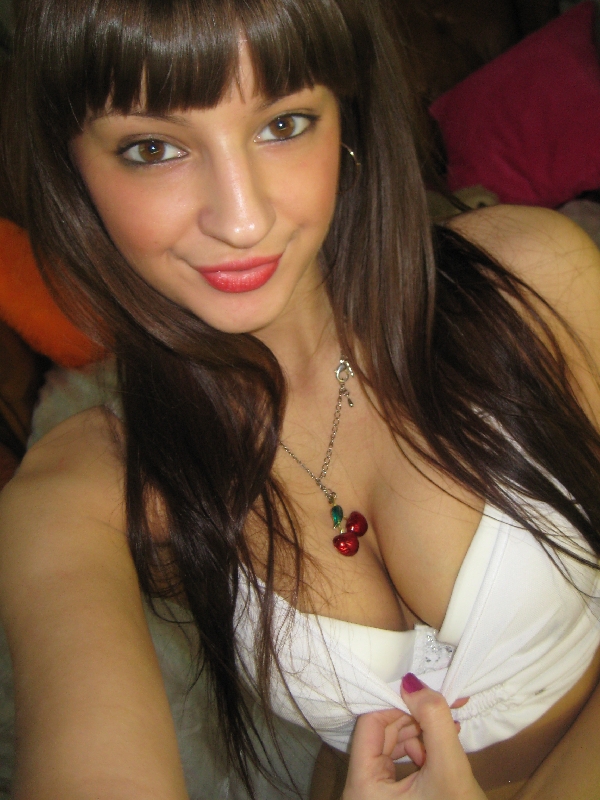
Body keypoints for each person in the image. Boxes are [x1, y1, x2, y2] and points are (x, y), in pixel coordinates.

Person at [0, 0, 600, 798]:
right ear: (74, 172)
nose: (242, 220)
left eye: (283, 124)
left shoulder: (538, 282)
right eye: (154, 148)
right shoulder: (81, 493)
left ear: (344, 117)